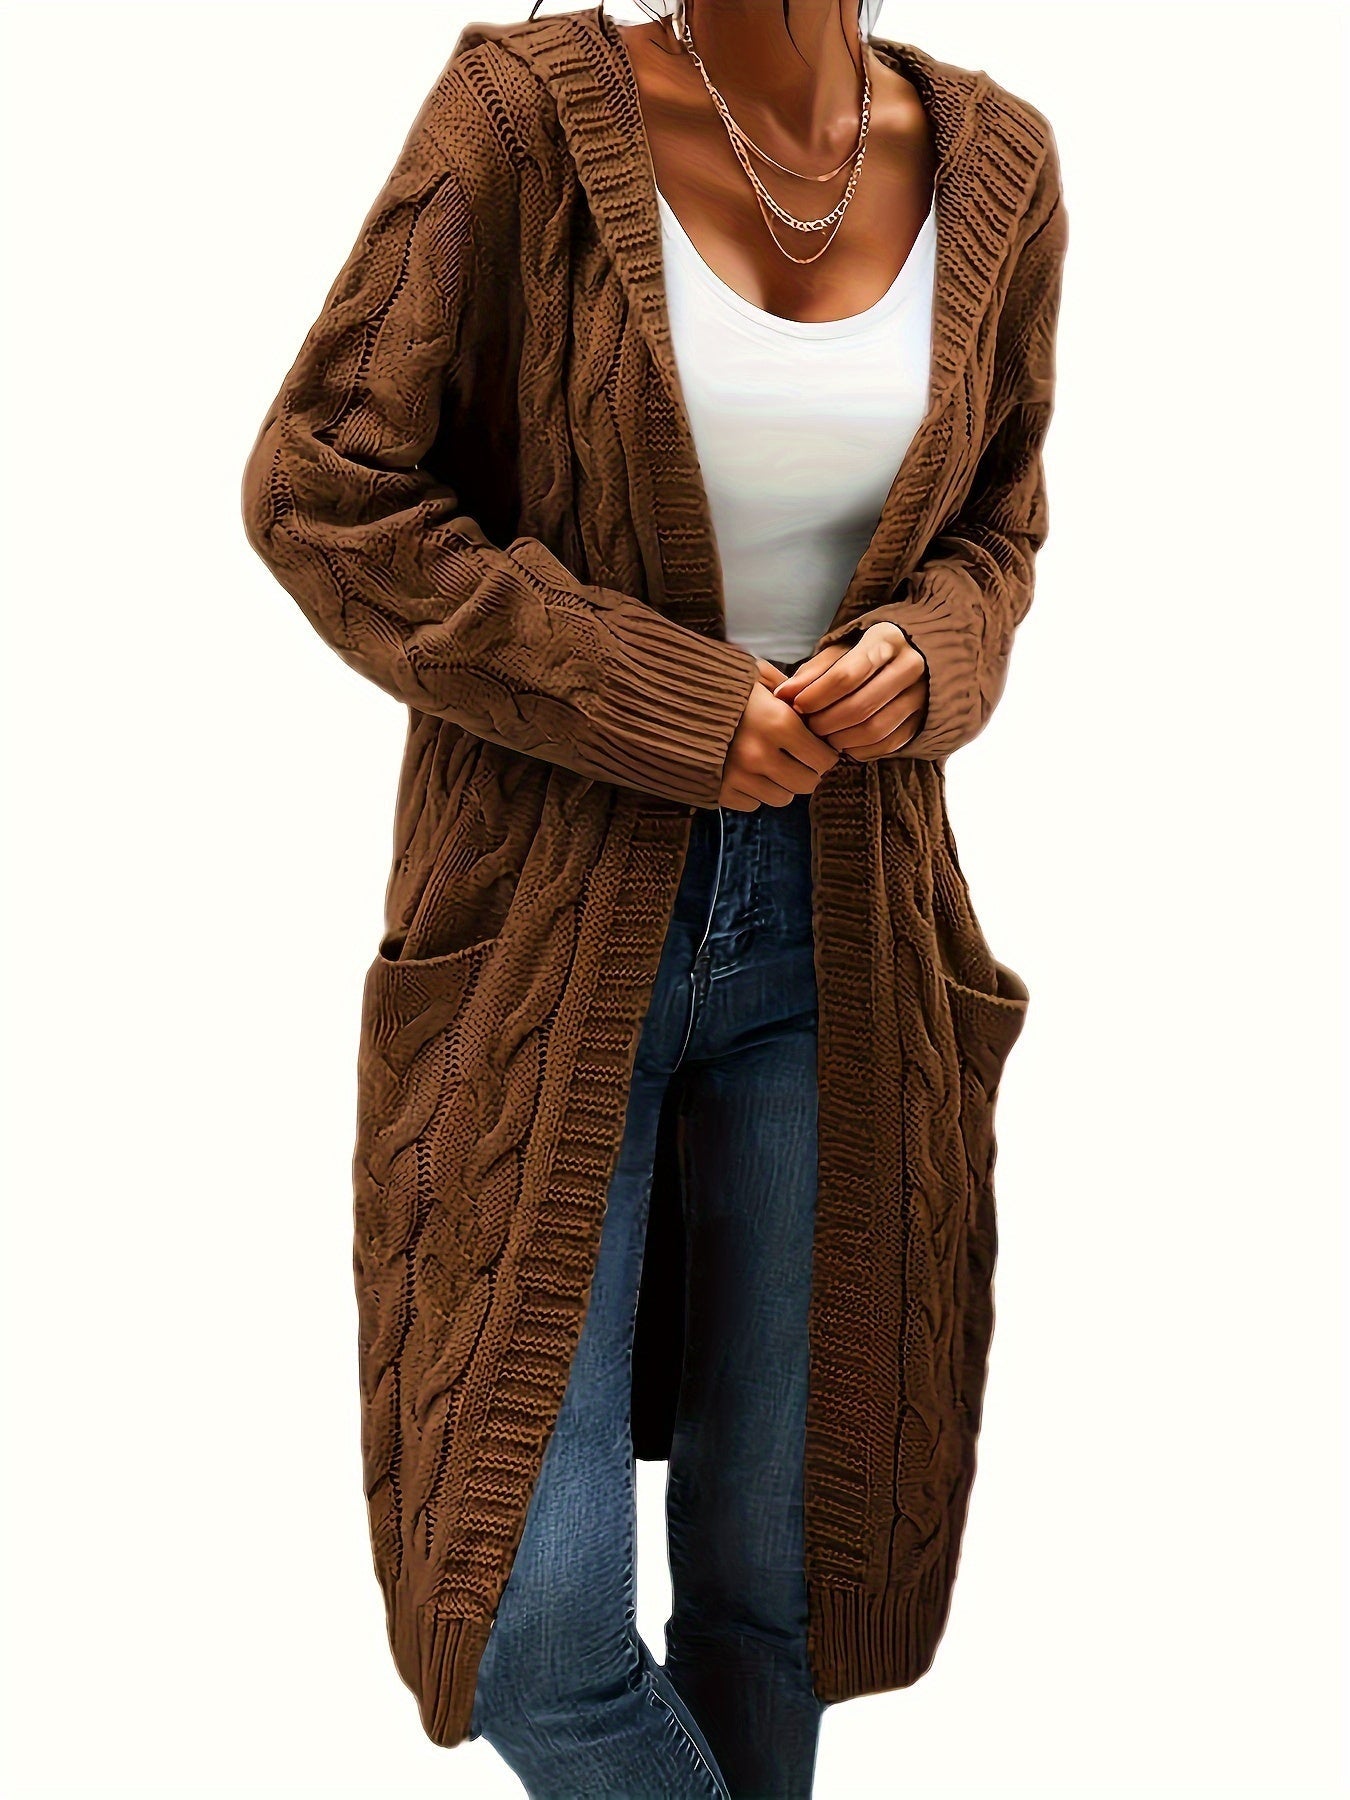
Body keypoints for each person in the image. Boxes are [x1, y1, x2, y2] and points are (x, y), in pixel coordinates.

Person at [240, 1, 1067, 1795]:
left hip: (851, 937)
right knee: (528, 1636)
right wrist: (657, 698)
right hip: (539, 929)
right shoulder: (520, 117)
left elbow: (997, 527)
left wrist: (932, 650)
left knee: (776, 1597)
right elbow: (321, 489)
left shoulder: (997, 166)